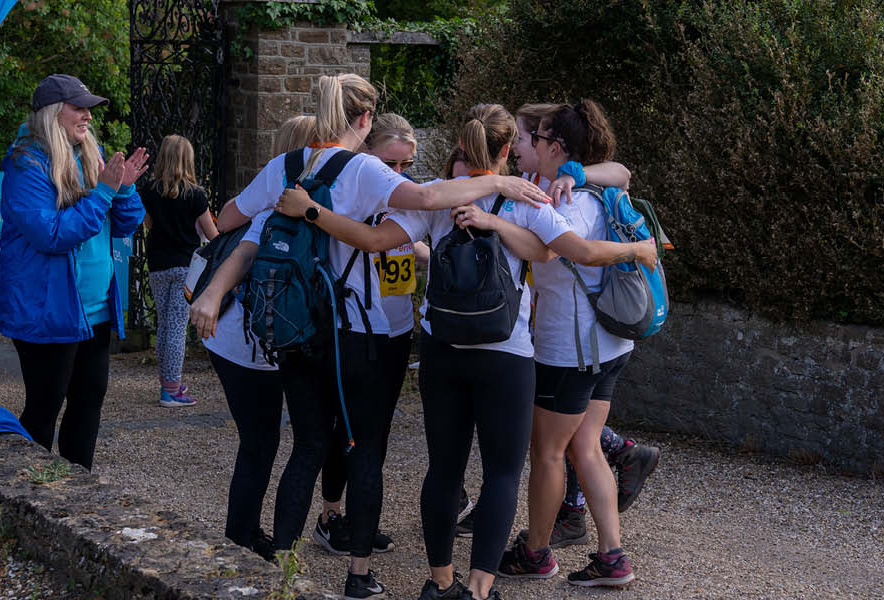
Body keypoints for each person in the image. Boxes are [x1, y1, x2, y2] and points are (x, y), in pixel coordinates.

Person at [274, 103, 655, 600]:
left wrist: (312, 210)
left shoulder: (436, 199)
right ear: (504, 151)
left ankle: (439, 583)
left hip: (442, 351)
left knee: (444, 469)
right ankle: (478, 590)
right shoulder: (526, 199)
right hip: (506, 353)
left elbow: (370, 240)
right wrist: (638, 248)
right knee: (500, 472)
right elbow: (556, 251)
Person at [190, 74, 551, 600]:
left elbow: (224, 221)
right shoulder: (361, 169)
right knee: (366, 450)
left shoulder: (284, 166)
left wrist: (285, 213)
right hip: (361, 330)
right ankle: (358, 575)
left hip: (299, 326)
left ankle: (282, 569)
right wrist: (496, 183)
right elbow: (425, 197)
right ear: (365, 120)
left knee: (307, 446)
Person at [496, 101, 644, 587]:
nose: (529, 145)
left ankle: (536, 553)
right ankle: (612, 557)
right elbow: (621, 170)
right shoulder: (595, 188)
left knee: (548, 452)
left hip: (569, 351)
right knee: (586, 447)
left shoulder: (553, 201)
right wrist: (574, 173)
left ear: (555, 148)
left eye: (536, 139)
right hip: (611, 345)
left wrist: (636, 249)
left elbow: (576, 252)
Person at [0, 74, 147, 470]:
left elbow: (126, 224)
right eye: (78, 108)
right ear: (52, 112)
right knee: (44, 408)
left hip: (93, 310)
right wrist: (104, 193)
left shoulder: (86, 153)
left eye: (89, 109)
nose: (87, 117)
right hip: (47, 310)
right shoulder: (26, 161)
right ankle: (27, 494)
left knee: (88, 403)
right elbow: (50, 235)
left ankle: (78, 492)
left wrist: (125, 188)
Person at [203, 115, 315, 563]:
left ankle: (245, 531)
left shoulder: (266, 202)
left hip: (250, 340)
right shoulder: (273, 211)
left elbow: (227, 215)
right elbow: (245, 251)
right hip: (244, 341)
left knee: (261, 440)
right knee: (260, 440)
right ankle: (240, 537)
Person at [314, 113, 423, 557]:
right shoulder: (351, 187)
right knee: (348, 428)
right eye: (389, 163)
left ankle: (362, 517)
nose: (396, 175)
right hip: (352, 324)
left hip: (396, 325)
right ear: (367, 155)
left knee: (377, 428)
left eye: (405, 166)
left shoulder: (407, 196)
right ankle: (331, 514)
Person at [140, 134, 218, 407]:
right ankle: (171, 390)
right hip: (186, 267)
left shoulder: (149, 191)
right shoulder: (195, 195)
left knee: (165, 325)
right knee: (176, 328)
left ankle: (168, 380)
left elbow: (149, 225)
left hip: (158, 264)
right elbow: (212, 234)